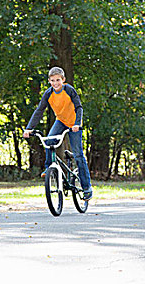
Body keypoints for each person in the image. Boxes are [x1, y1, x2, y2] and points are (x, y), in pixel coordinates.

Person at [23, 66, 93, 200]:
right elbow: (39, 111)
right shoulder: (48, 94)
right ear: (49, 81)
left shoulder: (69, 90)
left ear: (63, 80)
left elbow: (79, 107)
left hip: (74, 124)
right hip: (61, 121)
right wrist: (29, 128)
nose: (56, 83)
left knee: (78, 155)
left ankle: (87, 188)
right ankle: (49, 168)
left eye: (58, 80)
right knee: (49, 141)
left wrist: (77, 124)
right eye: (53, 80)